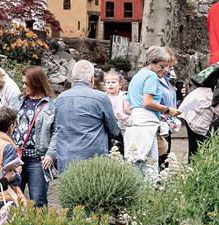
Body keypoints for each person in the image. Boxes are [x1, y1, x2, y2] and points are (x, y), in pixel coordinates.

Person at [43, 59, 121, 196]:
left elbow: (57, 129)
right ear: (91, 79)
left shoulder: (61, 98)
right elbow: (114, 130)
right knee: (93, 200)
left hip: (66, 159)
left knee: (70, 201)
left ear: (72, 78)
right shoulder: (101, 98)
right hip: (93, 160)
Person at [125, 46, 182, 179]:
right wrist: (168, 110)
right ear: (152, 62)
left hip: (134, 123)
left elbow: (128, 107)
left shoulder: (137, 76)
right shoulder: (151, 76)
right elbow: (147, 102)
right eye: (162, 66)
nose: (164, 70)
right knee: (150, 168)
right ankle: (150, 198)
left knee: (135, 166)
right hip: (146, 125)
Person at [14, 67, 56, 207]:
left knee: (38, 202)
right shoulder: (18, 101)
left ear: (36, 83)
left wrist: (50, 154)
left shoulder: (50, 105)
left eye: (26, 83)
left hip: (37, 159)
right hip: (17, 158)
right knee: (13, 200)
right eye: (23, 83)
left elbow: (58, 131)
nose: (23, 86)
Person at [0, 106, 24, 190]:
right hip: (3, 193)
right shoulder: (8, 147)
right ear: (11, 126)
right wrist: (17, 172)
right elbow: (9, 177)